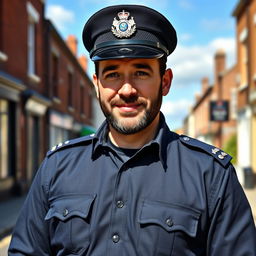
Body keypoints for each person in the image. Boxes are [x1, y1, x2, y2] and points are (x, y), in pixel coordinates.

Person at [9, 4, 256, 256]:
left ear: (165, 81)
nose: (127, 90)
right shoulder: (56, 168)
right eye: (113, 74)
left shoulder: (211, 175)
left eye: (140, 72)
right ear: (97, 85)